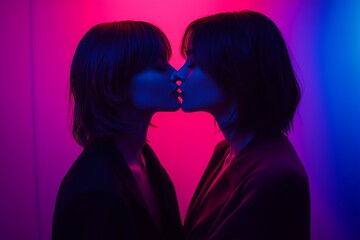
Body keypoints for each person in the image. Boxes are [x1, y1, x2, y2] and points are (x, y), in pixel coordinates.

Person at [176, 11, 310, 240]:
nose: (178, 75)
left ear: (236, 74)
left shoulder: (276, 176)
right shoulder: (225, 153)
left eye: (193, 63)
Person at [52, 21, 182, 240]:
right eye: (160, 67)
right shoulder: (94, 192)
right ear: (114, 84)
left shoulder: (145, 160)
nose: (175, 74)